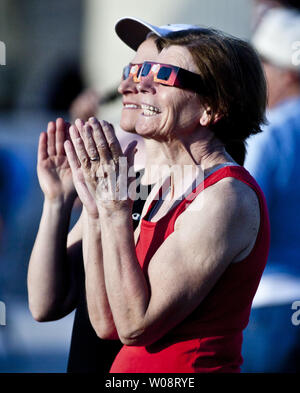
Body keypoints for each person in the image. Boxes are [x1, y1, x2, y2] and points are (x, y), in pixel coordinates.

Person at [64, 19, 270, 373]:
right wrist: (97, 211)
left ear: (212, 108)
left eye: (163, 77)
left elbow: (135, 324)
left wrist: (114, 210)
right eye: (142, 71)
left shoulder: (225, 196)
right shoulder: (166, 186)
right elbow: (106, 324)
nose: (138, 84)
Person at [27, 21, 197, 373]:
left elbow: (122, 326)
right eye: (131, 69)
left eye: (155, 73)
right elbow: (45, 305)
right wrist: (57, 201)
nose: (130, 85)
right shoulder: (122, 170)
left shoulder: (204, 189)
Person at [242, 7, 300, 372]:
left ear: (285, 71)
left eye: (260, 62)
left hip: (270, 307)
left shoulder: (271, 133)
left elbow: (243, 218)